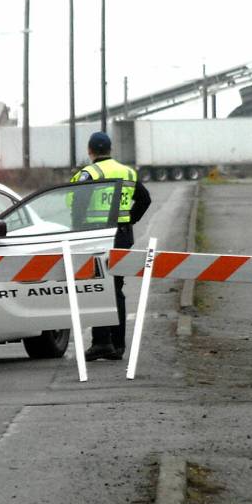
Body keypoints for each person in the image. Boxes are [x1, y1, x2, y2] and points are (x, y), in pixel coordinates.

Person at [71, 131, 151, 361]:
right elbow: (145, 199)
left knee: (98, 288)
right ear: (110, 149)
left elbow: (78, 206)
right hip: (122, 236)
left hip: (96, 236)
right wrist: (130, 219)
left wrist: (77, 233)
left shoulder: (89, 173)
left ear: (90, 151)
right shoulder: (127, 172)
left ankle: (102, 343)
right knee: (116, 288)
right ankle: (117, 345)